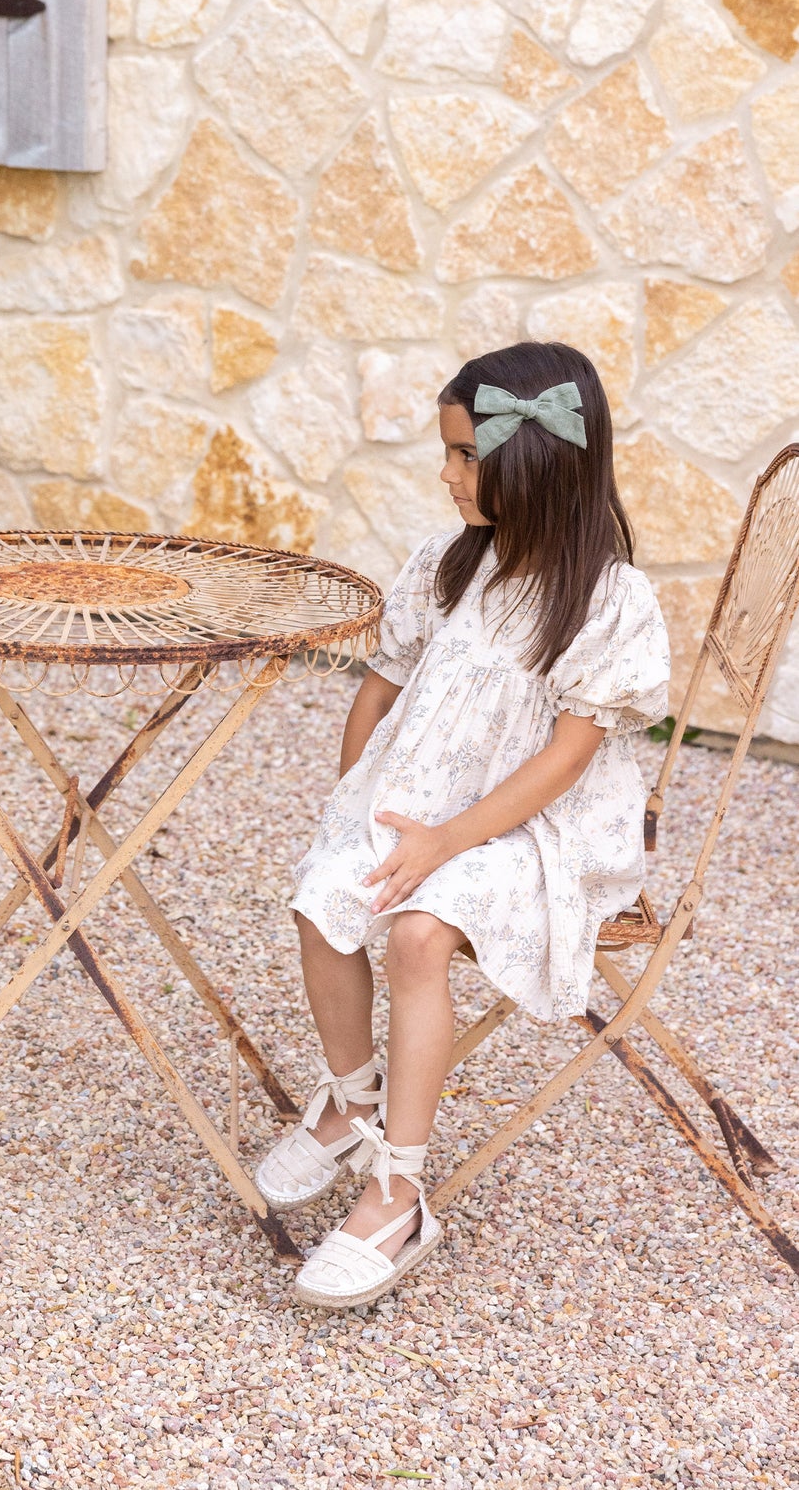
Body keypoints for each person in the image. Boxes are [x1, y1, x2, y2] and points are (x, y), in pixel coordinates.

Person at [257, 342, 669, 1309]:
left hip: (541, 827)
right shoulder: (447, 566)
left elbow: (565, 760)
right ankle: (353, 1100)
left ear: (536, 460)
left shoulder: (608, 601)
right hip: (428, 802)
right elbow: (380, 688)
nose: (445, 475)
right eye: (446, 453)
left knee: (416, 933)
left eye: (463, 455)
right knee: (323, 898)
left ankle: (396, 1191)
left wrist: (445, 844)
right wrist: (356, 804)